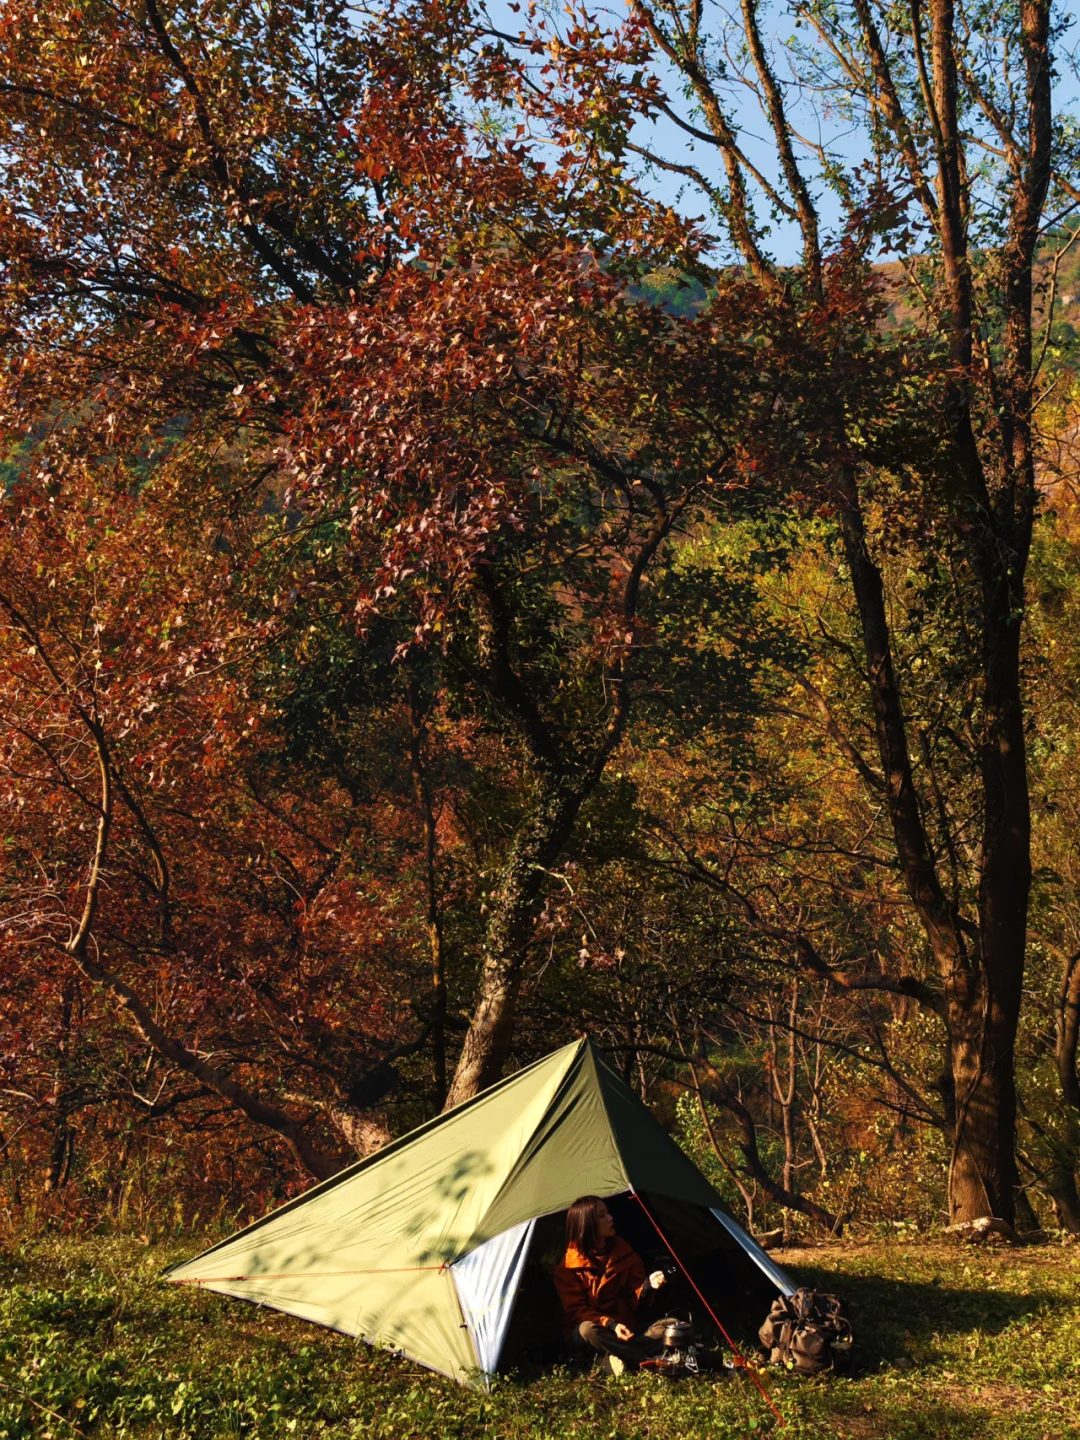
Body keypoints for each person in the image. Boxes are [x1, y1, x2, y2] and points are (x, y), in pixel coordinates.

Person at [553, 1195, 673, 1373]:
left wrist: (648, 1286)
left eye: (608, 1213)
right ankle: (642, 1361)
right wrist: (611, 1325)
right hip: (595, 1332)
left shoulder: (622, 1250)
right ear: (587, 1224)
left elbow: (635, 1298)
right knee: (587, 1330)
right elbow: (576, 1312)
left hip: (625, 1330)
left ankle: (611, 1360)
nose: (610, 1218)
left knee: (672, 1326)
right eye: (602, 1216)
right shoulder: (568, 1267)